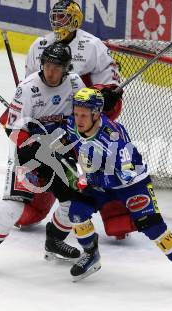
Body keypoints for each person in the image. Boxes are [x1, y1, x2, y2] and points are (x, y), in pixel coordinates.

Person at [61, 88, 172, 295]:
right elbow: (60, 132)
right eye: (76, 113)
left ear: (96, 114)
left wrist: (88, 178)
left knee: (152, 226)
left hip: (131, 184)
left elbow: (124, 175)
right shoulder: (72, 123)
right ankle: (91, 254)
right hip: (99, 181)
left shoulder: (114, 139)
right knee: (76, 213)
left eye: (84, 115)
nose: (78, 119)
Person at [0, 42, 90, 272]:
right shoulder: (27, 88)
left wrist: (100, 100)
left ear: (66, 68)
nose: (51, 72)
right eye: (47, 65)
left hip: (61, 150)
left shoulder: (75, 83)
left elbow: (84, 117)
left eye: (57, 67)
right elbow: (13, 129)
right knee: (12, 207)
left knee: (76, 201)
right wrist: (35, 152)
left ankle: (54, 240)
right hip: (29, 153)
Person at [17, 0, 133, 240]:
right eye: (56, 17)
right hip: (52, 121)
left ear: (75, 19)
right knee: (44, 159)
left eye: (64, 18)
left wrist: (106, 95)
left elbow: (110, 85)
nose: (59, 23)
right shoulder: (39, 46)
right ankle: (35, 205)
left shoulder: (92, 46)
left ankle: (116, 216)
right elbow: (30, 87)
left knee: (103, 159)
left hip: (82, 120)